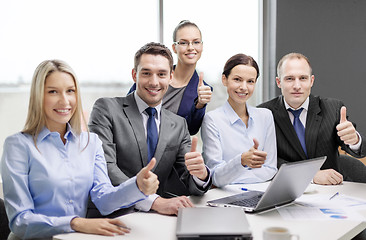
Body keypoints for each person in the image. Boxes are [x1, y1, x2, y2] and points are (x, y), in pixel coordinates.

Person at [0, 60, 159, 239]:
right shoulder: (18, 145)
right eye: (53, 92)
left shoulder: (91, 142)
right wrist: (75, 223)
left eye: (70, 91)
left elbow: (104, 200)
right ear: (38, 97)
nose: (64, 101)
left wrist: (137, 185)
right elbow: (20, 221)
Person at [88, 42, 211, 216]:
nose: (154, 82)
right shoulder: (106, 109)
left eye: (161, 74)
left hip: (156, 219)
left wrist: (201, 174)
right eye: (146, 73)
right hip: (111, 215)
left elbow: (188, 182)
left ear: (170, 76)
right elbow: (107, 169)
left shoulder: (178, 124)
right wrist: (155, 202)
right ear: (134, 75)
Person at [258, 52, 366, 185]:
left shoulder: (333, 108)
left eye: (303, 78)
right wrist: (310, 176)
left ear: (311, 81)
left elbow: (359, 151)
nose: (297, 86)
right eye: (290, 79)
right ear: (279, 82)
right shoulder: (263, 113)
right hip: (285, 190)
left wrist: (354, 140)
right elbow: (267, 160)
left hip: (330, 192)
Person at [201, 54, 277, 187]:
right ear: (224, 80)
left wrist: (231, 174)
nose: (244, 87)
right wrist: (241, 161)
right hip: (226, 197)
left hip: (261, 193)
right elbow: (216, 177)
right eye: (237, 79)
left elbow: (271, 170)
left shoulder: (266, 116)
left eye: (250, 81)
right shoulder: (212, 120)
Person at [128, 20, 212, 135]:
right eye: (183, 43)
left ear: (202, 46)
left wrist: (200, 105)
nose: (191, 47)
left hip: (170, 150)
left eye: (196, 42)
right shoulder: (152, 73)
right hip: (135, 139)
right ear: (174, 47)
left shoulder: (203, 90)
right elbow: (127, 110)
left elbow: (191, 130)